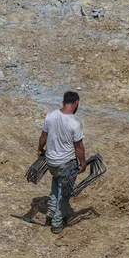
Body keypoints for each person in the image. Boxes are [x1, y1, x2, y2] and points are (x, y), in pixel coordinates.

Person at [37, 91, 87, 234]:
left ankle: (50, 212)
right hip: (66, 162)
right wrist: (83, 163)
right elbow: (79, 147)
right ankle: (57, 223)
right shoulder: (75, 123)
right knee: (64, 193)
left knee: (56, 182)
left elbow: (43, 136)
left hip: (52, 162)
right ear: (76, 103)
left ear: (63, 102)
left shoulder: (51, 115)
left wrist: (40, 149)